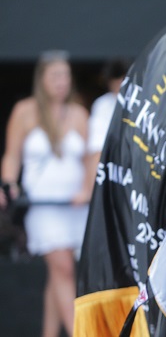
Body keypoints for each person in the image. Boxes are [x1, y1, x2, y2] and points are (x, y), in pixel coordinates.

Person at [0, 51, 90, 337]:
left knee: (59, 272)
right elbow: (12, 156)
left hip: (74, 207)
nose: (62, 82)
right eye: (55, 76)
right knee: (62, 267)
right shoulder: (25, 111)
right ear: (42, 79)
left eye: (65, 75)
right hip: (43, 207)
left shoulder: (78, 112)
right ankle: (78, 333)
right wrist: (7, 184)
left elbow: (91, 158)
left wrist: (87, 188)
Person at [83, 58, 130, 195]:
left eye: (123, 81)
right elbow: (96, 148)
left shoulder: (147, 102)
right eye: (116, 83)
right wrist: (92, 189)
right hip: (111, 174)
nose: (120, 87)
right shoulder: (103, 105)